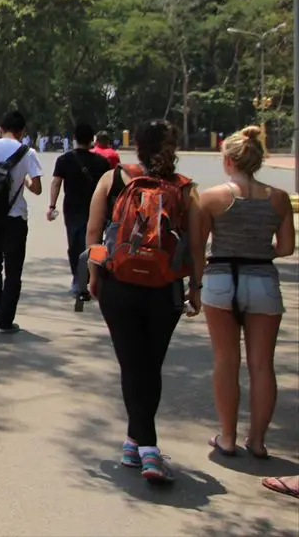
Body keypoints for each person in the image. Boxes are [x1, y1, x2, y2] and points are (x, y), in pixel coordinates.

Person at [85, 119, 204, 483]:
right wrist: (195, 288)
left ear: (135, 145)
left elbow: (93, 234)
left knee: (132, 364)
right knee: (149, 366)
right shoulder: (185, 190)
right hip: (164, 288)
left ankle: (137, 443)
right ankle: (146, 448)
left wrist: (93, 277)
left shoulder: (113, 179)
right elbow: (196, 248)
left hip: (117, 284)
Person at [197, 126, 294, 459]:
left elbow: (198, 246)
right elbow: (286, 248)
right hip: (263, 280)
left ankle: (227, 437)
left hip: (221, 278)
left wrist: (193, 286)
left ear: (227, 160)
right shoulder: (278, 198)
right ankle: (257, 441)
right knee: (262, 365)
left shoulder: (210, 197)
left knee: (226, 361)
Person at [0, 110, 42, 334]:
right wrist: (22, 179)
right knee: (13, 269)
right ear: (22, 132)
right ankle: (6, 321)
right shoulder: (27, 152)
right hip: (15, 217)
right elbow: (37, 189)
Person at [48, 122, 112, 299]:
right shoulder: (102, 162)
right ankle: (93, 278)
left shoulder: (64, 160)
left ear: (74, 139)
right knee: (95, 244)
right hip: (97, 209)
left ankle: (78, 280)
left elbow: (56, 183)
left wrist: (51, 206)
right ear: (92, 140)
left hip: (72, 209)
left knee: (75, 245)